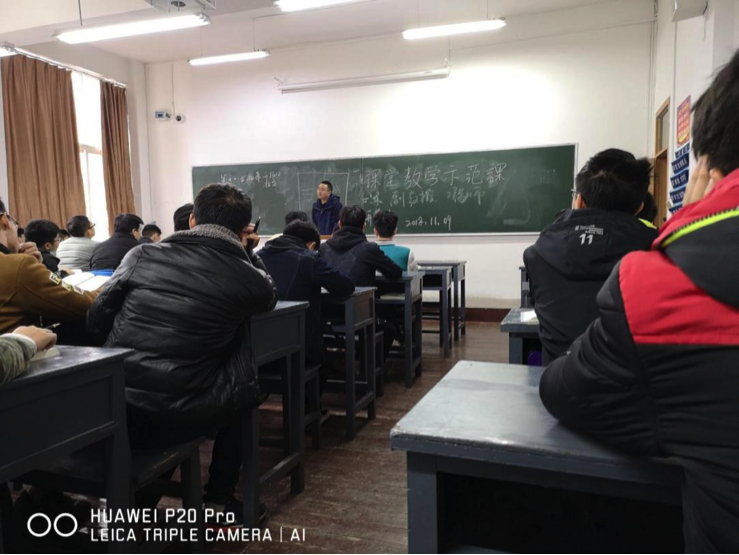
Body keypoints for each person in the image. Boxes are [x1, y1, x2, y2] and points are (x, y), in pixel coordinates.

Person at [539, 51, 739, 555]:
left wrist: (693, 230)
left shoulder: (654, 283)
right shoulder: (644, 250)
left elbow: (566, 392)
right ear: (641, 204)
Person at [87, 184, 278, 523]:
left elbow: (96, 319)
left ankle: (135, 508)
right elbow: (268, 297)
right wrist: (248, 253)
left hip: (114, 403)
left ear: (192, 219)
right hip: (181, 413)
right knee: (245, 391)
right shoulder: (250, 278)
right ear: (243, 229)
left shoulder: (141, 255)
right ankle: (218, 500)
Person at [524, 149, 658, 364]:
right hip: (629, 380)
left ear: (579, 201)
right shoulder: (659, 253)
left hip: (558, 378)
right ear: (639, 207)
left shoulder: (537, 254)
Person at [260, 220, 355, 369]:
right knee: (323, 360)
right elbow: (346, 286)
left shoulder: (258, 256)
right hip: (300, 346)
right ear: (312, 245)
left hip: (262, 345)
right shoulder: (309, 258)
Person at [0, 198, 97, 335]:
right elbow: (83, 303)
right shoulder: (19, 266)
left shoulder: (16, 265)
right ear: (5, 220)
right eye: (15, 224)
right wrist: (106, 288)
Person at [319, 205, 402, 286]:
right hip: (361, 295)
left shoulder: (323, 248)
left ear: (339, 224)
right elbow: (395, 272)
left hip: (327, 295)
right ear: (364, 226)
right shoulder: (369, 249)